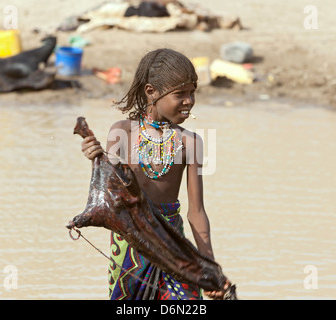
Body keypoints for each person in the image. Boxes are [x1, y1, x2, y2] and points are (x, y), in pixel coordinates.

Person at [81, 48, 229, 300]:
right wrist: (97, 159)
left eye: (192, 93)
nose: (189, 101)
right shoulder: (122, 133)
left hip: (173, 245)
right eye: (180, 94)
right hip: (130, 244)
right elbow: (112, 195)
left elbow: (197, 212)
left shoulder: (191, 142)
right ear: (151, 92)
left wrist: (209, 266)